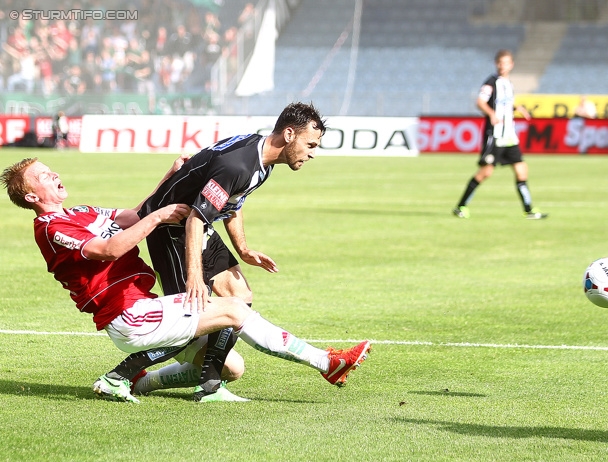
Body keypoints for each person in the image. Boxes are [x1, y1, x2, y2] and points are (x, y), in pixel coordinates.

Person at [1, 158, 371, 403]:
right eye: (43, 176)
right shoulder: (50, 228)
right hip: (129, 314)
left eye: (51, 169)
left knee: (232, 367)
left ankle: (135, 380)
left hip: (143, 308)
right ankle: (327, 363)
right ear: (32, 195)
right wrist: (159, 217)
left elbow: (133, 215)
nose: (54, 175)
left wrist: (168, 178)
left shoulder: (80, 212)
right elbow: (110, 250)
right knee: (235, 309)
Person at [120, 102, 329, 399]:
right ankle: (121, 375)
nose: (312, 153)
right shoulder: (238, 164)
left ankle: (208, 386)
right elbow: (195, 217)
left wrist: (242, 249)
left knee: (240, 296)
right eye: (310, 144)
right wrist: (194, 276)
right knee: (192, 315)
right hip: (172, 230)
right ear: (289, 134)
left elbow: (231, 203)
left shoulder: (262, 161)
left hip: (197, 225)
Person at [453, 49, 548, 220]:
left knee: (521, 171)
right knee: (485, 172)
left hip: (509, 136)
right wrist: (490, 113)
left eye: (506, 63)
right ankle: (461, 206)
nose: (503, 66)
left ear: (511, 65)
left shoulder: (509, 84)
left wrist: (516, 108)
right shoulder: (491, 82)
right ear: (496, 64)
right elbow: (480, 102)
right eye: (500, 63)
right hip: (495, 135)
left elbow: (503, 107)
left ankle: (529, 210)